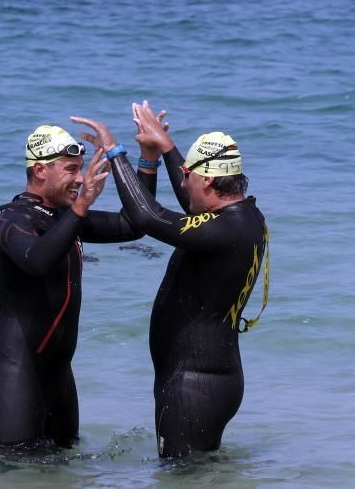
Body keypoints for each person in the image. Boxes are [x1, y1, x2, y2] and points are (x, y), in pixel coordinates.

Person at [71, 105, 269, 458]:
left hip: (194, 387)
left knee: (182, 479)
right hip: (208, 380)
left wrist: (116, 153)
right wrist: (161, 147)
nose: (182, 180)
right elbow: (191, 207)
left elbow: (148, 217)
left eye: (186, 174)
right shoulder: (243, 218)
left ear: (206, 179)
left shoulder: (225, 230)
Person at [0, 124, 163, 449]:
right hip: (15, 379)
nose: (80, 179)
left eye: (81, 170)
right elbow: (37, 261)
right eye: (71, 170)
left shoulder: (63, 217)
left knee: (65, 472)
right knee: (13, 475)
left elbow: (135, 224)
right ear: (39, 170)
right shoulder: (13, 221)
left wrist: (145, 160)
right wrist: (79, 209)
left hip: (60, 379)